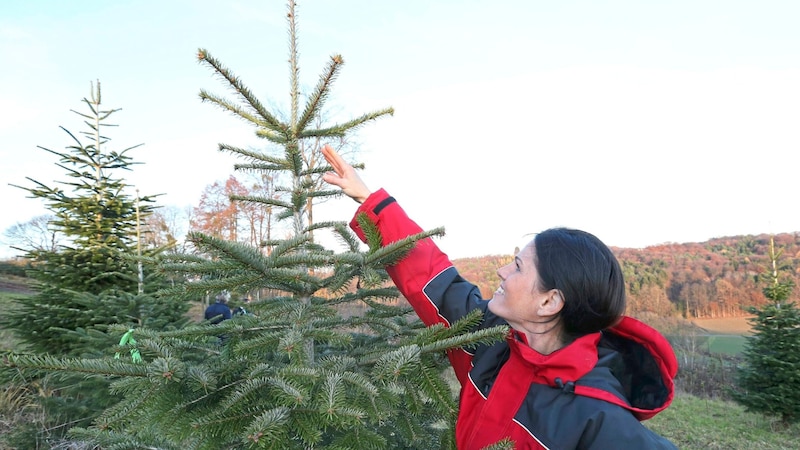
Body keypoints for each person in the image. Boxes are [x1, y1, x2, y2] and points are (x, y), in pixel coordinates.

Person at [321, 145, 678, 450]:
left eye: (519, 267)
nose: (502, 272)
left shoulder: (597, 421)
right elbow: (434, 279)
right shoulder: (487, 339)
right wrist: (371, 202)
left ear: (549, 303)